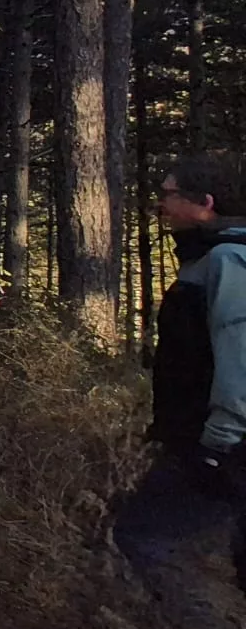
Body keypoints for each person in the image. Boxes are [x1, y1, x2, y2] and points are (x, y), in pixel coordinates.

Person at [113, 152, 246, 599]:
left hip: (223, 448)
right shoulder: (210, 260)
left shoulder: (228, 261)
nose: (159, 205)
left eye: (167, 194)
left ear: (204, 201)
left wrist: (220, 443)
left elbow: (239, 357)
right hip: (210, 442)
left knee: (147, 537)